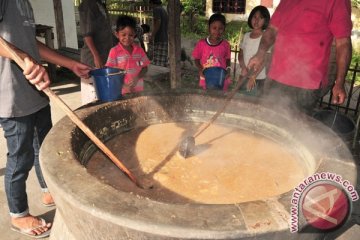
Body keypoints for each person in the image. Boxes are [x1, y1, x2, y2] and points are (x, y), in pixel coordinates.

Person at [0, 0, 90, 238]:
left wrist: (70, 63)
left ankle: (47, 190)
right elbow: (15, 48)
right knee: (20, 159)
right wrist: (23, 58)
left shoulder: (24, 3)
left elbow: (31, 44)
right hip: (12, 97)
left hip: (37, 91)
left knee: (44, 149)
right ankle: (18, 214)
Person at [248, 0, 352, 114]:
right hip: (275, 76)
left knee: (294, 126)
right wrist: (260, 53)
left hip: (307, 83)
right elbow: (272, 30)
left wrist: (340, 82)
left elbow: (343, 43)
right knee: (267, 118)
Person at [79, 0, 114, 105]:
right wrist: (96, 55)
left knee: (103, 94)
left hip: (105, 56)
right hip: (92, 58)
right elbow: (87, 35)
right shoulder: (87, 5)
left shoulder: (101, 4)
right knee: (92, 95)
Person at [106, 15, 150, 94]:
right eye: (123, 35)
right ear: (117, 34)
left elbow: (145, 68)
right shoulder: (114, 51)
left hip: (139, 90)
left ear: (134, 35)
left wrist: (137, 77)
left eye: (131, 35)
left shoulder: (139, 50)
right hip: (121, 91)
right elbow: (110, 73)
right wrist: (124, 85)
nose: (127, 38)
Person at [192, 13, 232, 91]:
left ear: (224, 29)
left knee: (220, 97)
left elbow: (228, 59)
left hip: (221, 77)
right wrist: (201, 69)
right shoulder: (201, 43)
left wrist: (228, 69)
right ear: (209, 28)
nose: (217, 31)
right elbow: (196, 59)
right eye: (214, 28)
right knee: (206, 97)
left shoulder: (226, 44)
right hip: (205, 76)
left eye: (220, 28)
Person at [238, 5, 270, 96]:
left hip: (258, 78)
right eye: (254, 17)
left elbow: (265, 59)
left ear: (265, 20)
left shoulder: (265, 38)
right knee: (240, 101)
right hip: (244, 76)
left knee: (253, 103)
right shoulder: (246, 36)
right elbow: (240, 55)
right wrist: (243, 68)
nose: (256, 20)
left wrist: (254, 76)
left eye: (260, 18)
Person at [149, 0, 168, 67]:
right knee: (162, 61)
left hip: (159, 37)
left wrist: (152, 35)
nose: (150, 7)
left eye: (150, 5)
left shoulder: (156, 9)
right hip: (165, 37)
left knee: (158, 63)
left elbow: (158, 22)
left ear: (152, 3)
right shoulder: (164, 10)